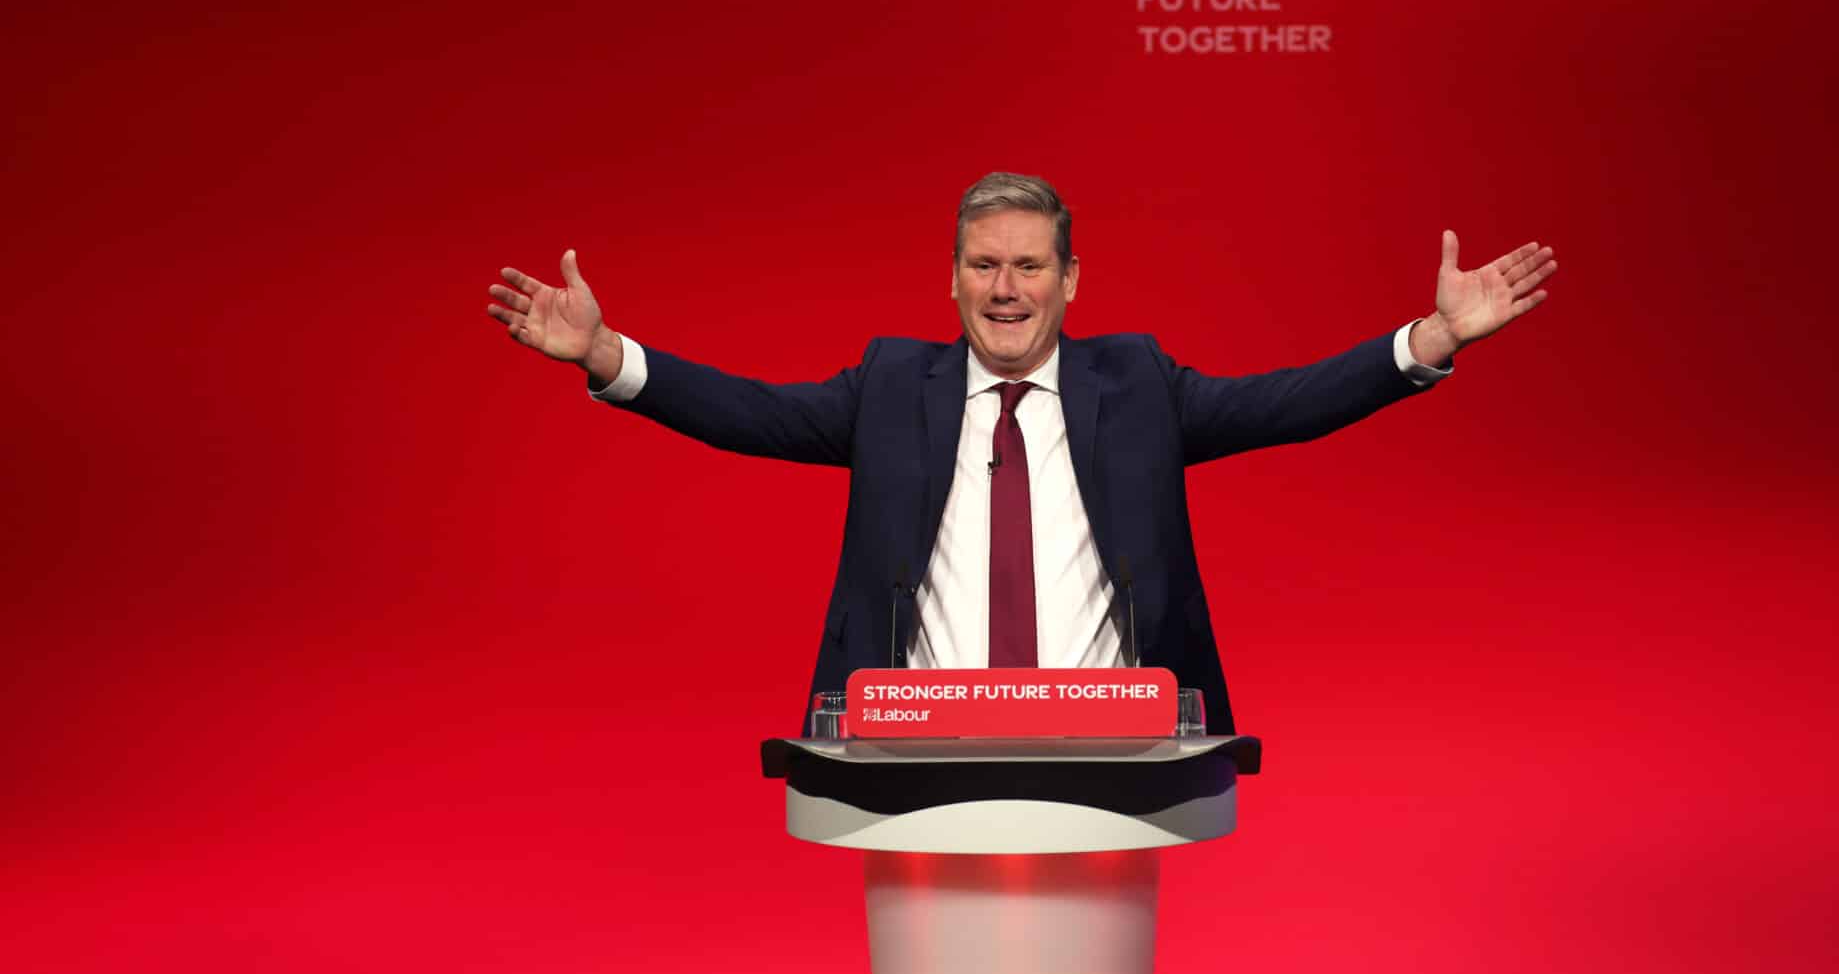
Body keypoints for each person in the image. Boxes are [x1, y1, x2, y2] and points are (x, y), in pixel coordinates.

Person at [485, 173, 1556, 733]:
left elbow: (1285, 403)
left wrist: (1427, 343)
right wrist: (606, 354)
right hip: (916, 741)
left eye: (1030, 266)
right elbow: (749, 412)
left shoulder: (1135, 384)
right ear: (950, 279)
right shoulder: (890, 385)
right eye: (984, 265)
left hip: (1109, 741)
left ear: (1071, 278)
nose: (1006, 289)